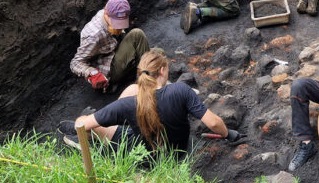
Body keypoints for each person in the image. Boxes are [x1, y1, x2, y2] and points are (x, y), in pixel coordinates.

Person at [63, 51, 240, 156]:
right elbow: (214, 123)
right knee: (132, 91)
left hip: (141, 153)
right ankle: (109, 120)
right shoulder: (181, 90)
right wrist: (226, 134)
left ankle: (97, 138)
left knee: (84, 119)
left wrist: (86, 124)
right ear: (162, 71)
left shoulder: (127, 105)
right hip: (177, 149)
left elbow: (80, 125)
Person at [70, 0, 150, 91]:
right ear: (106, 14)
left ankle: (142, 72)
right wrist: (92, 73)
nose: (119, 27)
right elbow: (75, 63)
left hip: (115, 50)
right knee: (137, 34)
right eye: (116, 23)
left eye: (121, 23)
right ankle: (147, 82)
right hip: (108, 69)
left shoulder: (113, 10)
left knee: (157, 53)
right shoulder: (93, 35)